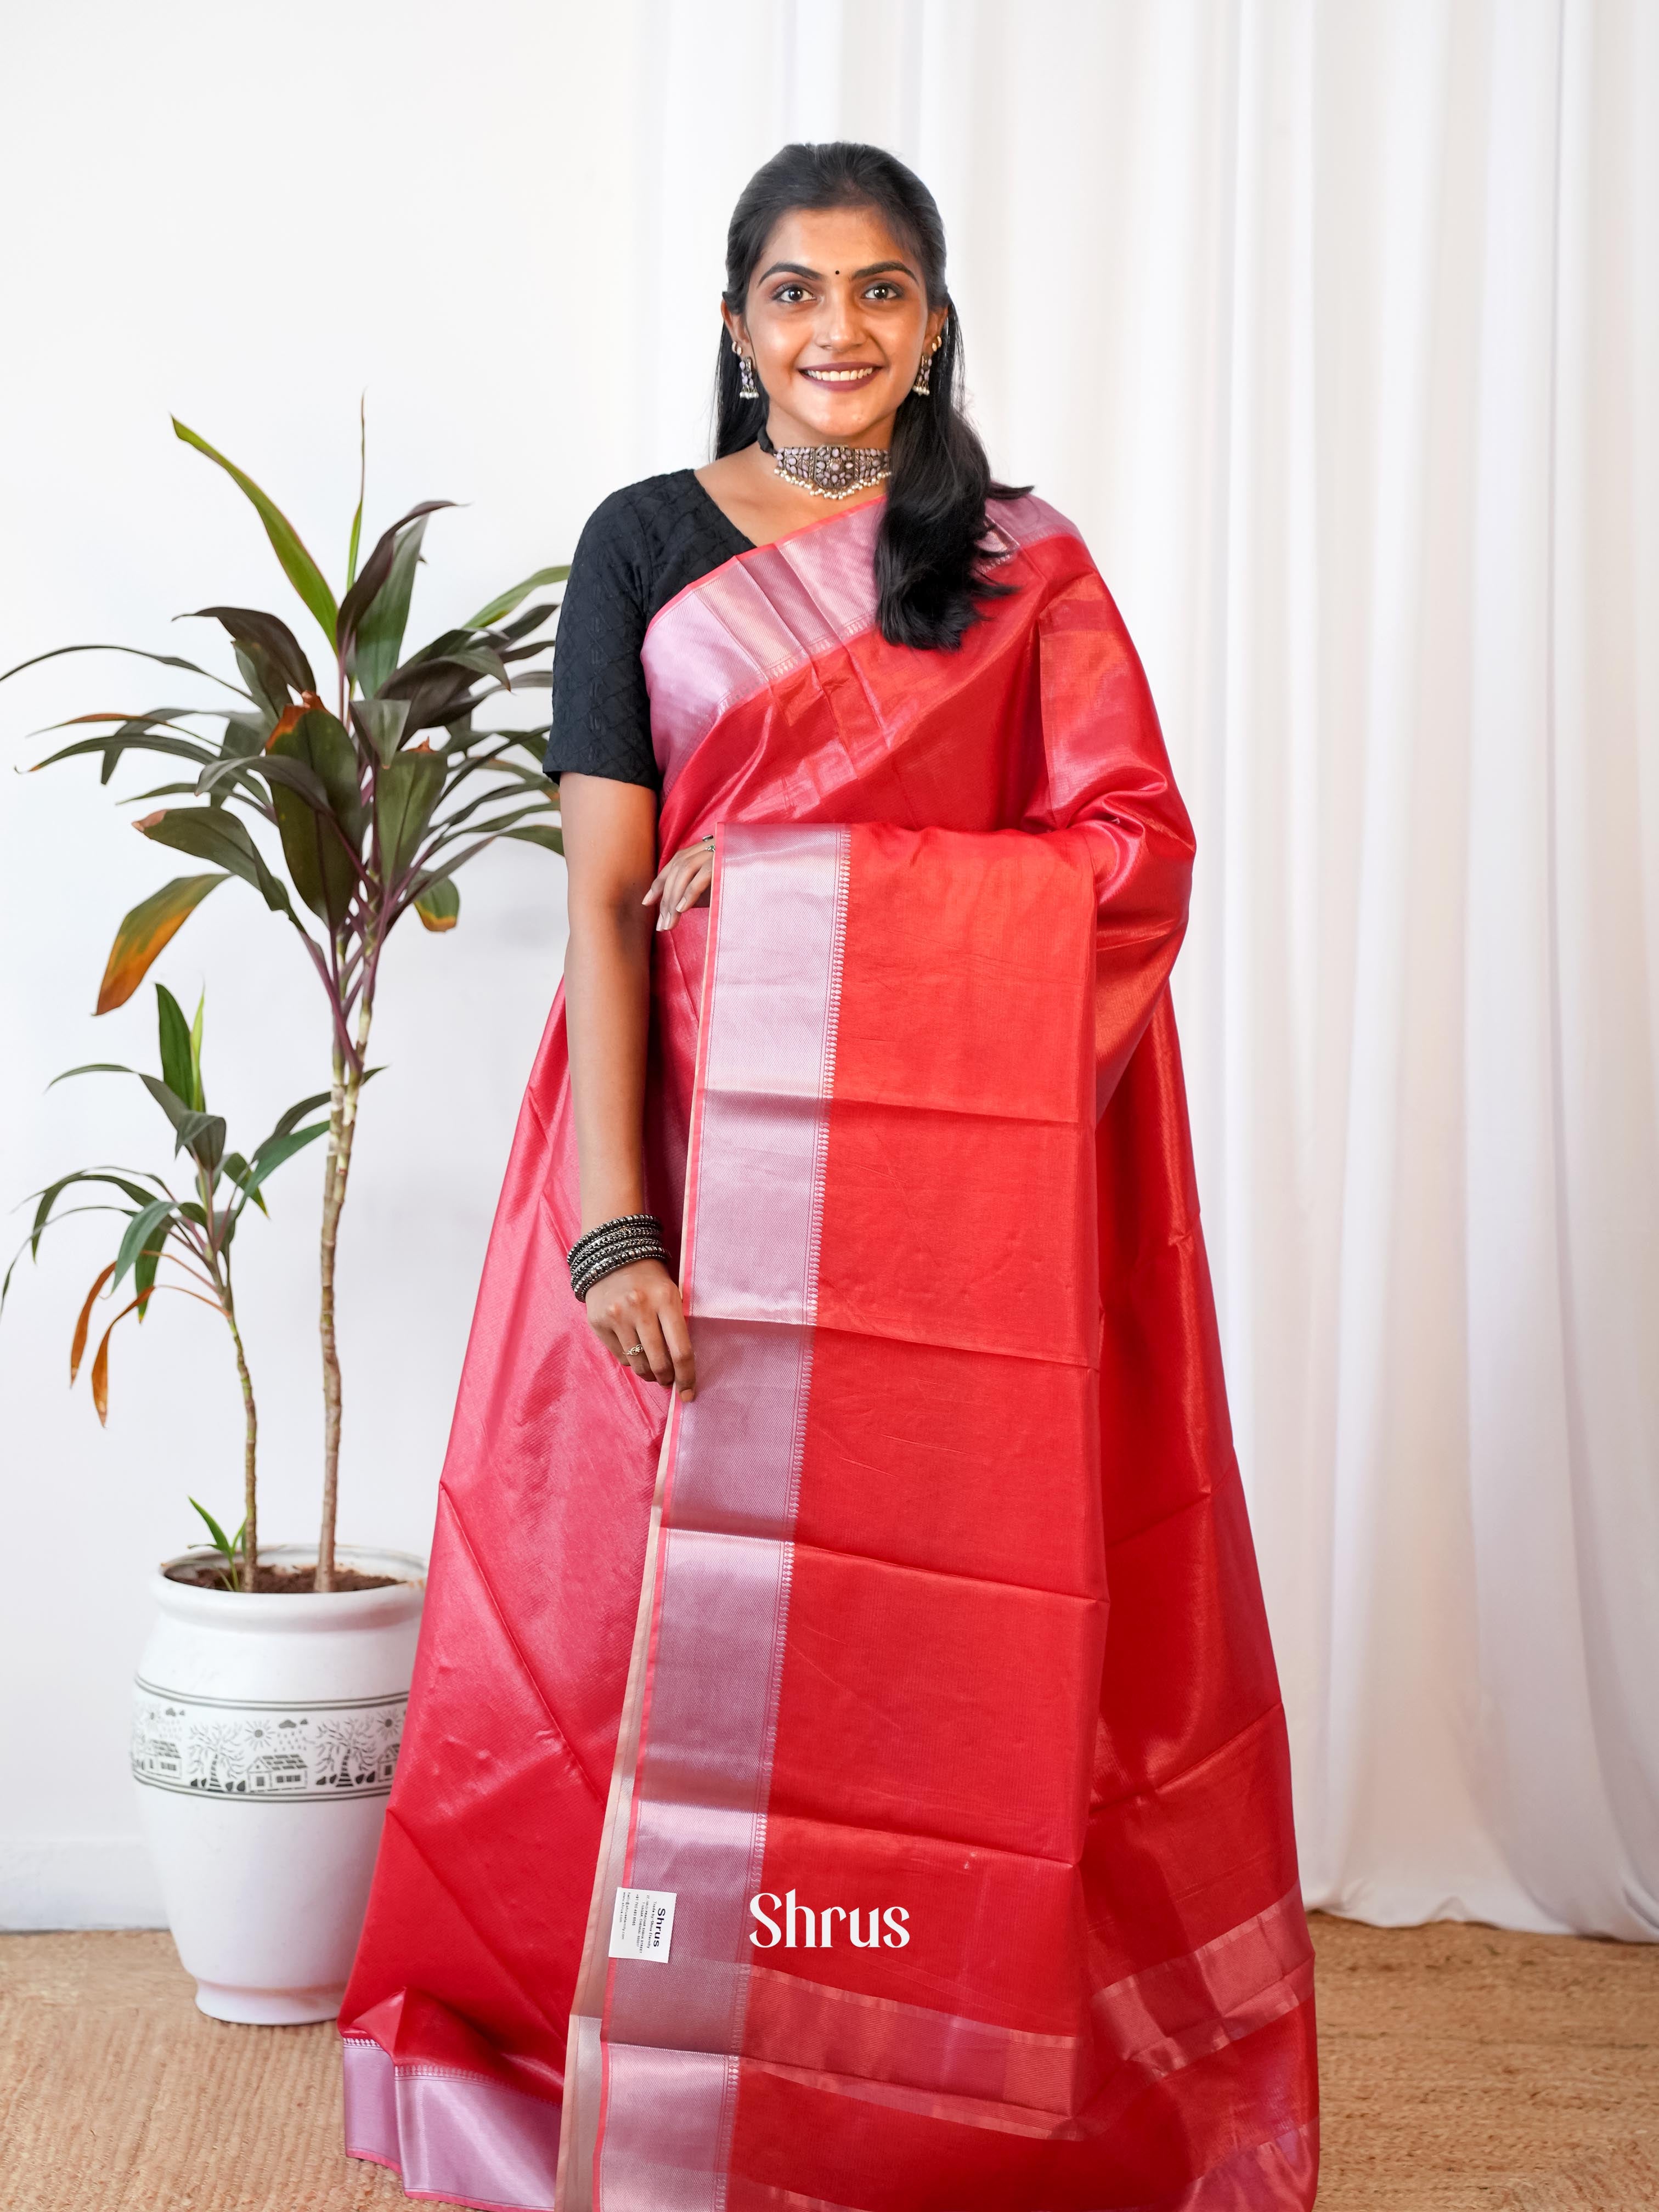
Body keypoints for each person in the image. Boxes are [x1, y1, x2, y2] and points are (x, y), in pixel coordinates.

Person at [340, 140, 1319, 2212]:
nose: (839, 330)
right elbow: (609, 905)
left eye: (882, 292)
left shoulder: (1021, 564)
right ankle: (679, 2038)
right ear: (734, 323)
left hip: (943, 1220)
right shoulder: (643, 551)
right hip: (687, 1161)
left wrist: (803, 882)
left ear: (935, 321)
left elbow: (1129, 865)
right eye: (796, 292)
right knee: (630, 1622)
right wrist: (618, 1220)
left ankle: (905, 2058)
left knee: (923, 1646)